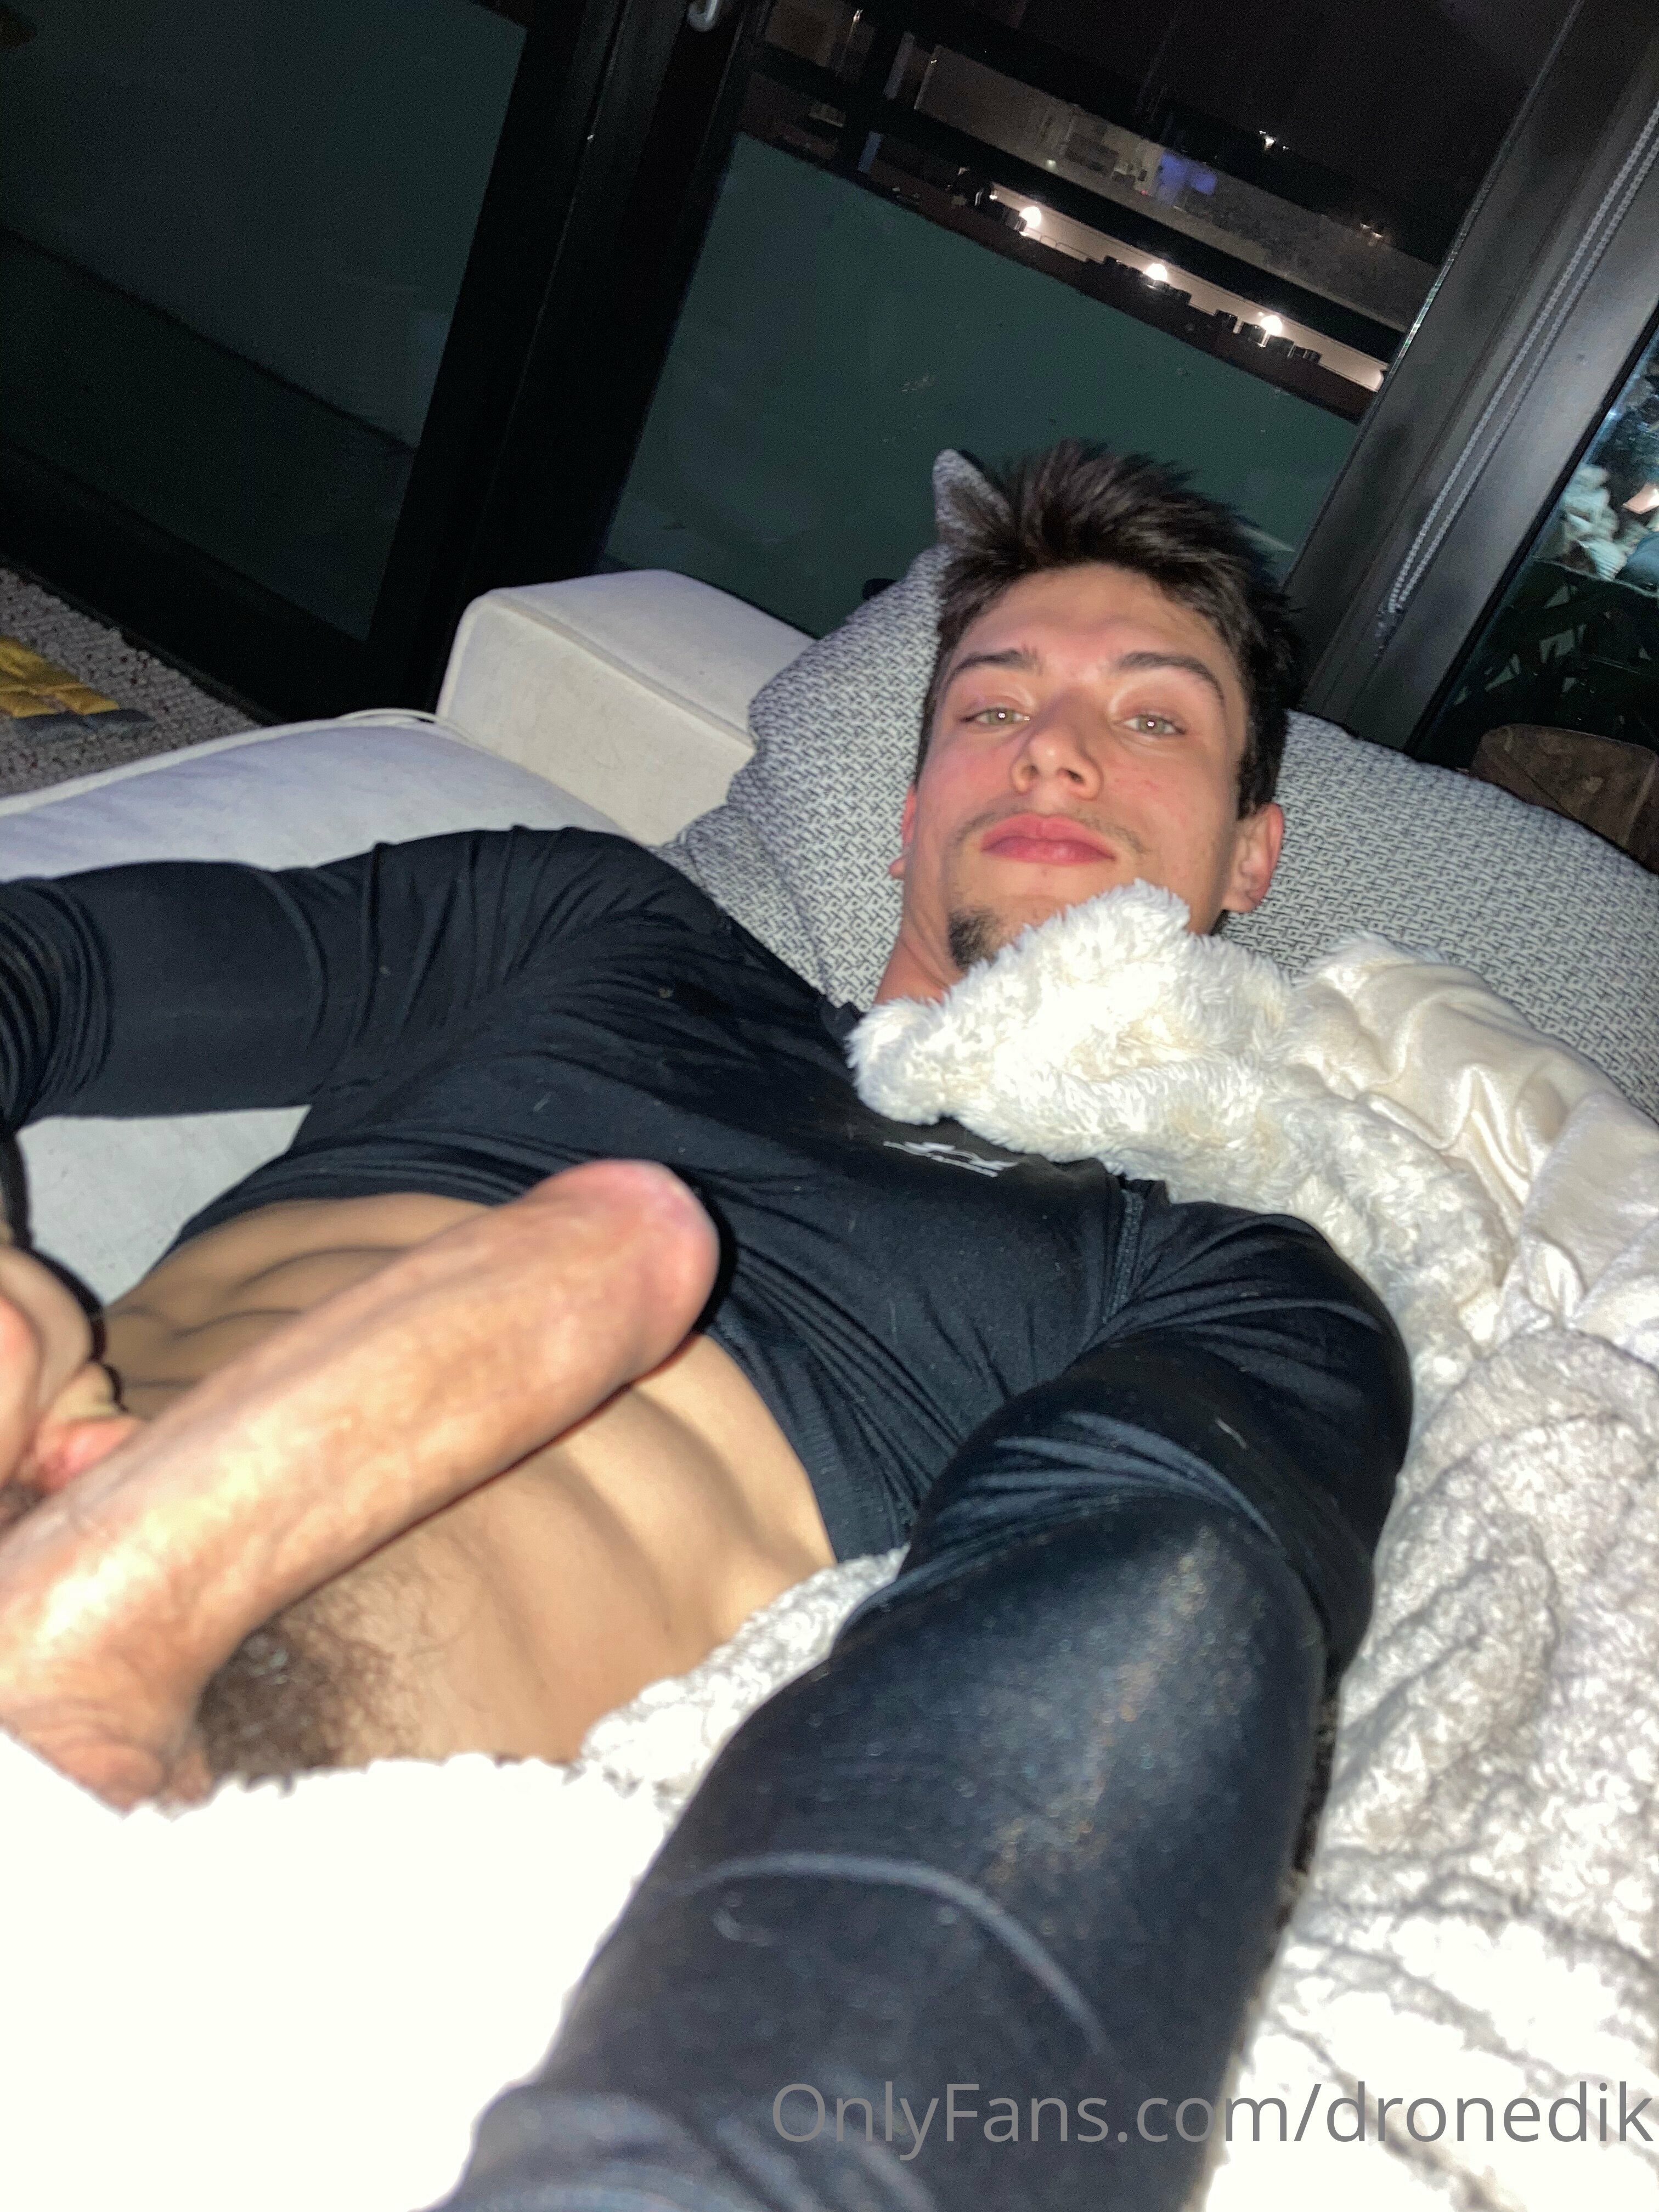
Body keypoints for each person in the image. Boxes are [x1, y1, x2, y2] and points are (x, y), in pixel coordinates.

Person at [0, 442, 1409, 2209]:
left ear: (1251, 852)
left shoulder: (1224, 1267)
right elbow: (44, 972)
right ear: (908, 809)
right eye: (992, 707)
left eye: (1152, 720)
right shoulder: (586, 929)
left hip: (307, 1847)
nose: (1055, 750)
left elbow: (1135, 1627)